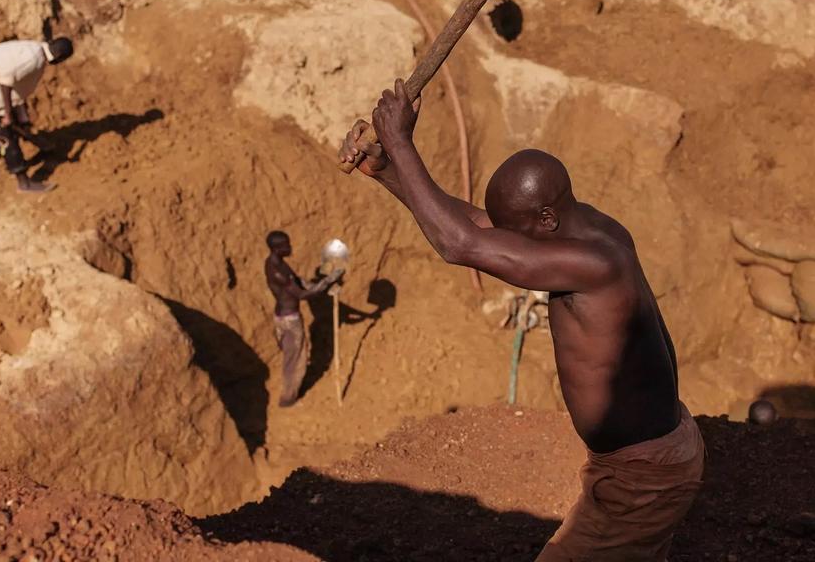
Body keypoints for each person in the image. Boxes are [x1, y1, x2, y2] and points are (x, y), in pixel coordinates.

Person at [340, 80, 703, 562]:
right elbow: (475, 227)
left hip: (643, 477)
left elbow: (461, 245)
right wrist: (387, 170)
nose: (506, 241)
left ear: (547, 218)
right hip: (641, 462)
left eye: (516, 231)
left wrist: (402, 142)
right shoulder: (581, 225)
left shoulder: (595, 263)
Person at [0, 37, 74, 193]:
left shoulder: (35, 50)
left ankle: (39, 149)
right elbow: (6, 82)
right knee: (6, 132)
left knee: (14, 123)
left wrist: (19, 116)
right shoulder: (34, 58)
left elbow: (15, 84)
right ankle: (24, 183)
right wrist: (8, 115)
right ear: (59, 57)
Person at [264, 231, 339, 407]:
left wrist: (322, 286)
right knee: (296, 360)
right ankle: (288, 399)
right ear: (276, 249)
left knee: (291, 356)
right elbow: (303, 294)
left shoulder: (277, 263)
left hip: (283, 317)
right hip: (290, 321)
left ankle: (289, 394)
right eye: (286, 246)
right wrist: (327, 282)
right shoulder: (277, 272)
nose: (290, 248)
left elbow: (299, 281)